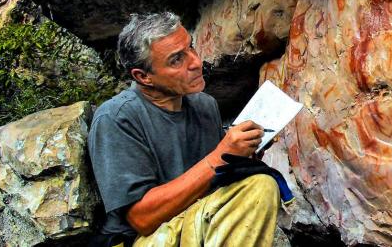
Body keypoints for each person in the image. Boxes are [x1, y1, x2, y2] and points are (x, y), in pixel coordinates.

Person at [88, 12, 280, 247]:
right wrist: (220, 156)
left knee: (258, 184)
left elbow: (213, 183)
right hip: (140, 239)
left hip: (193, 219)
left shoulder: (204, 105)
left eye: (191, 47)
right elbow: (142, 219)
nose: (196, 62)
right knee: (259, 188)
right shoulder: (117, 118)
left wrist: (244, 152)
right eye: (176, 59)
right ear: (143, 76)